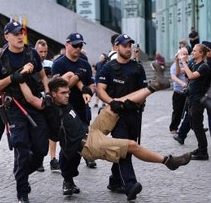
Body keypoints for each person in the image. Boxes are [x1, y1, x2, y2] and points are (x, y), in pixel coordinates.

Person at [18, 72, 189, 200]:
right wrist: (19, 78)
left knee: (114, 104)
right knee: (131, 145)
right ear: (54, 94)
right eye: (63, 93)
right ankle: (168, 161)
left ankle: (152, 87)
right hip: (87, 144)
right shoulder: (49, 106)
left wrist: (81, 87)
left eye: (67, 91)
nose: (67, 95)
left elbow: (70, 75)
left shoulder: (62, 97)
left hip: (91, 130)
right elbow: (30, 98)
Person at [0, 21, 49, 203]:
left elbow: (43, 75)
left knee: (40, 151)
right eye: (15, 34)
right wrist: (12, 78)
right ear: (7, 36)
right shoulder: (0, 59)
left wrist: (46, 94)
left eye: (21, 32)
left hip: (34, 103)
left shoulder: (32, 53)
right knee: (21, 148)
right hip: (14, 106)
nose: (20, 36)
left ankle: (20, 173)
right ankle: (22, 191)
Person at [97, 34, 152, 199]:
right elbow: (100, 89)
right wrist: (111, 102)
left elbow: (144, 91)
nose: (128, 48)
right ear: (116, 47)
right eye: (124, 45)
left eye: (130, 45)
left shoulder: (137, 68)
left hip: (133, 115)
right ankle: (130, 185)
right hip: (116, 116)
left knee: (125, 149)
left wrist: (139, 102)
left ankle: (114, 180)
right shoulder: (107, 67)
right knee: (125, 148)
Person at [51, 32, 97, 169]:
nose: (78, 48)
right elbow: (58, 89)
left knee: (84, 136)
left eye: (80, 45)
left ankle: (87, 156)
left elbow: (91, 84)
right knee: (67, 142)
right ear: (67, 45)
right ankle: (67, 178)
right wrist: (76, 78)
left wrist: (89, 91)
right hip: (65, 109)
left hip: (82, 107)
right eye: (75, 45)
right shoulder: (58, 64)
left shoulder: (85, 64)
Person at [178, 43, 210, 160]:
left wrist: (184, 62)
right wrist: (179, 61)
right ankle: (201, 148)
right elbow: (179, 72)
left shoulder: (204, 67)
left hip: (198, 101)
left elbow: (191, 76)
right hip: (191, 99)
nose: (192, 52)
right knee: (194, 125)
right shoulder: (194, 64)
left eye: (195, 51)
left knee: (198, 126)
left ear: (201, 54)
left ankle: (203, 152)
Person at [35, 39, 59, 171]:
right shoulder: (31, 64)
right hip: (36, 100)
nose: (43, 54)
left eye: (45, 51)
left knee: (52, 130)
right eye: (40, 52)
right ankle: (39, 160)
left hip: (49, 100)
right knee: (39, 131)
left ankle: (53, 158)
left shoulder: (50, 64)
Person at [168, 48, 188, 134]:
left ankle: (195, 126)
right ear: (179, 55)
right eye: (183, 54)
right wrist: (182, 83)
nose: (185, 55)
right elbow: (174, 76)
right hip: (179, 92)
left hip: (187, 92)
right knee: (177, 111)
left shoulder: (188, 64)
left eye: (186, 54)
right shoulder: (175, 65)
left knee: (191, 111)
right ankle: (173, 128)